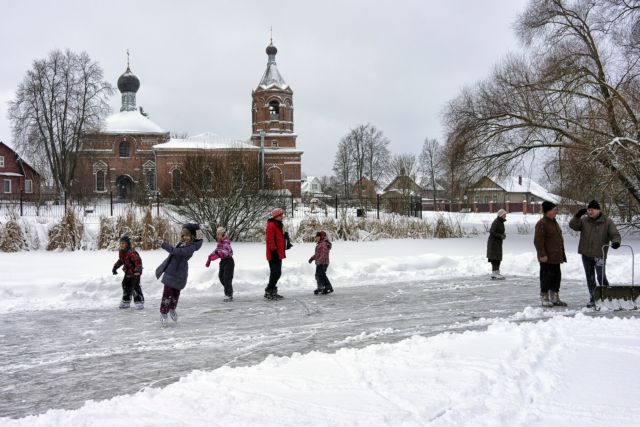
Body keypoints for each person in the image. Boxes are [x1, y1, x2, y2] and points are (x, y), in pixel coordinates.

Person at [568, 200, 621, 308]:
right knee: (590, 277)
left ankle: (607, 296)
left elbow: (615, 234)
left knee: (601, 276)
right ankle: (593, 298)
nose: (590, 212)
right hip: (586, 254)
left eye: (592, 210)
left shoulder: (607, 222)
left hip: (599, 254)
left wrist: (616, 242)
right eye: (588, 210)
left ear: (598, 210)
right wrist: (577, 216)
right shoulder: (584, 220)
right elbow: (573, 226)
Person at [155, 223, 203, 325]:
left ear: (192, 237)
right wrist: (198, 226)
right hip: (170, 271)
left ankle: (172, 309)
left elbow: (176, 252)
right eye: (184, 235)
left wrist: (164, 244)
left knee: (176, 294)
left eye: (188, 236)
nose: (185, 237)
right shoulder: (181, 243)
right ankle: (164, 312)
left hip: (180, 273)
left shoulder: (191, 247)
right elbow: (187, 225)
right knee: (167, 293)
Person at [534, 201, 567, 307]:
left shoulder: (554, 222)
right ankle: (544, 297)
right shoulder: (542, 223)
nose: (556, 212)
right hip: (547, 257)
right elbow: (538, 241)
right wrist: (542, 254)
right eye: (554, 210)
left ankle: (554, 297)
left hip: (556, 256)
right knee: (546, 277)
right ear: (548, 211)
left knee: (556, 277)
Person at [112, 235, 144, 309]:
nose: (121, 245)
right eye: (121, 243)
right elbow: (121, 260)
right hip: (128, 272)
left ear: (127, 244)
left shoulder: (132, 253)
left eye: (123, 243)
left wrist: (137, 272)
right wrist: (115, 267)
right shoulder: (122, 252)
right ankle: (126, 301)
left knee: (135, 287)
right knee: (125, 284)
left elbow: (138, 262)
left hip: (135, 273)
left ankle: (139, 301)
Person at [206, 227, 235, 302]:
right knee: (221, 277)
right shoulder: (219, 243)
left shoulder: (226, 242)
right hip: (222, 262)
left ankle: (228, 295)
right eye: (217, 234)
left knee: (227, 278)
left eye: (218, 234)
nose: (217, 236)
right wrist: (210, 258)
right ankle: (229, 289)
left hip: (229, 261)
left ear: (223, 234)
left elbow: (226, 252)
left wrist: (218, 253)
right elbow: (216, 251)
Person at [265, 208, 286, 300]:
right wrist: (274, 250)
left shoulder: (278, 225)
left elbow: (278, 239)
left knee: (277, 273)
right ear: (276, 216)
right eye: (281, 215)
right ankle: (269, 291)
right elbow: (269, 239)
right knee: (275, 273)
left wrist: (285, 242)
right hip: (273, 253)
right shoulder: (271, 225)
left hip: (278, 253)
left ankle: (272, 290)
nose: (282, 217)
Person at [308, 230, 334, 295]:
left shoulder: (323, 244)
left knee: (320, 275)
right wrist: (312, 258)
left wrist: (319, 261)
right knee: (320, 275)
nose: (316, 238)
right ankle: (324, 287)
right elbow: (318, 254)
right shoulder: (320, 244)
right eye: (316, 237)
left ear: (321, 237)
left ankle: (324, 287)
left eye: (317, 237)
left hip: (323, 263)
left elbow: (323, 253)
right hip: (321, 262)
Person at [487, 209, 507, 280]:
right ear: (501, 215)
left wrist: (503, 235)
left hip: (497, 243)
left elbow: (499, 231)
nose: (505, 215)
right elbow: (492, 231)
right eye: (504, 214)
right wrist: (500, 236)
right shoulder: (496, 222)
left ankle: (496, 272)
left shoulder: (500, 222)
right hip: (493, 243)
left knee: (498, 258)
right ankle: (494, 273)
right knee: (495, 258)